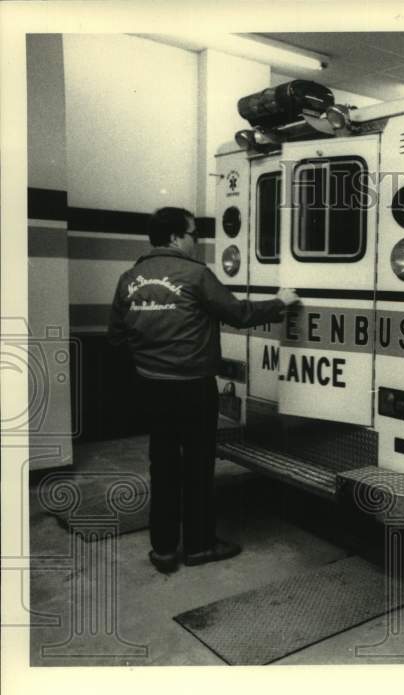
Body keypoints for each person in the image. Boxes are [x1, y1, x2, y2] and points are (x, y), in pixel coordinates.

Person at [108, 207, 299, 573]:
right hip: (193, 388)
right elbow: (239, 314)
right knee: (197, 466)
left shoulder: (128, 278)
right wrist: (281, 303)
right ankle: (198, 546)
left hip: (152, 387)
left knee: (162, 465)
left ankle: (163, 549)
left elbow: (116, 337)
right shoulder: (195, 275)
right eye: (194, 234)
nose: (197, 241)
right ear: (177, 237)